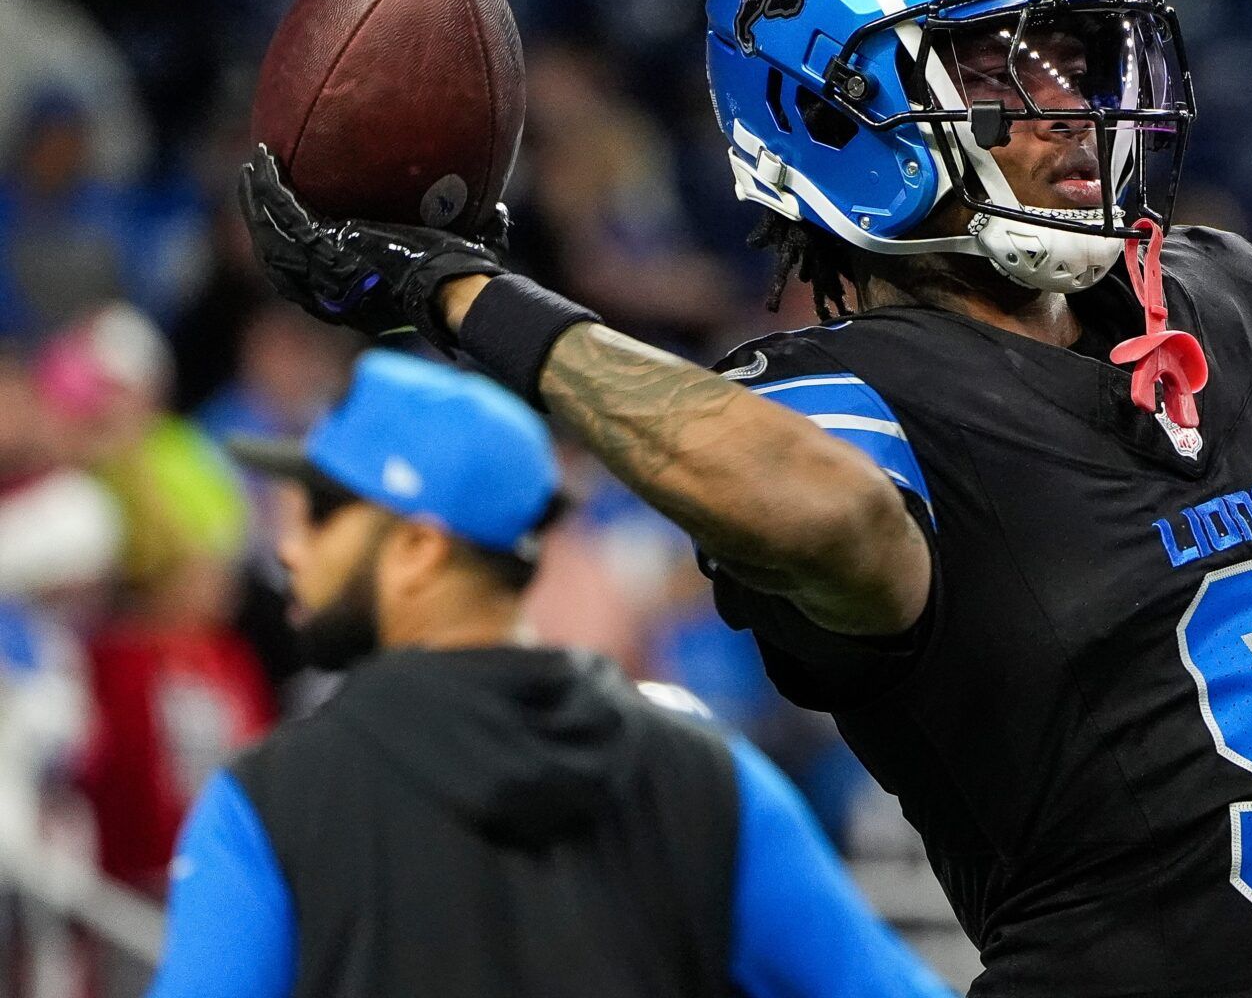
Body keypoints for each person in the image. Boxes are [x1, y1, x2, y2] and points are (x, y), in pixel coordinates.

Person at [238, 0, 1252, 997]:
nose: (1059, 108)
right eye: (991, 68)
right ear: (831, 111)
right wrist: (466, 295)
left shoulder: (1237, 308)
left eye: (1069, 56)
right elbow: (826, 509)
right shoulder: (837, 402)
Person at [147, 349, 951, 998]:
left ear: (420, 549)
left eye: (322, 512)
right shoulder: (709, 779)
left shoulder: (270, 802)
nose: (291, 547)